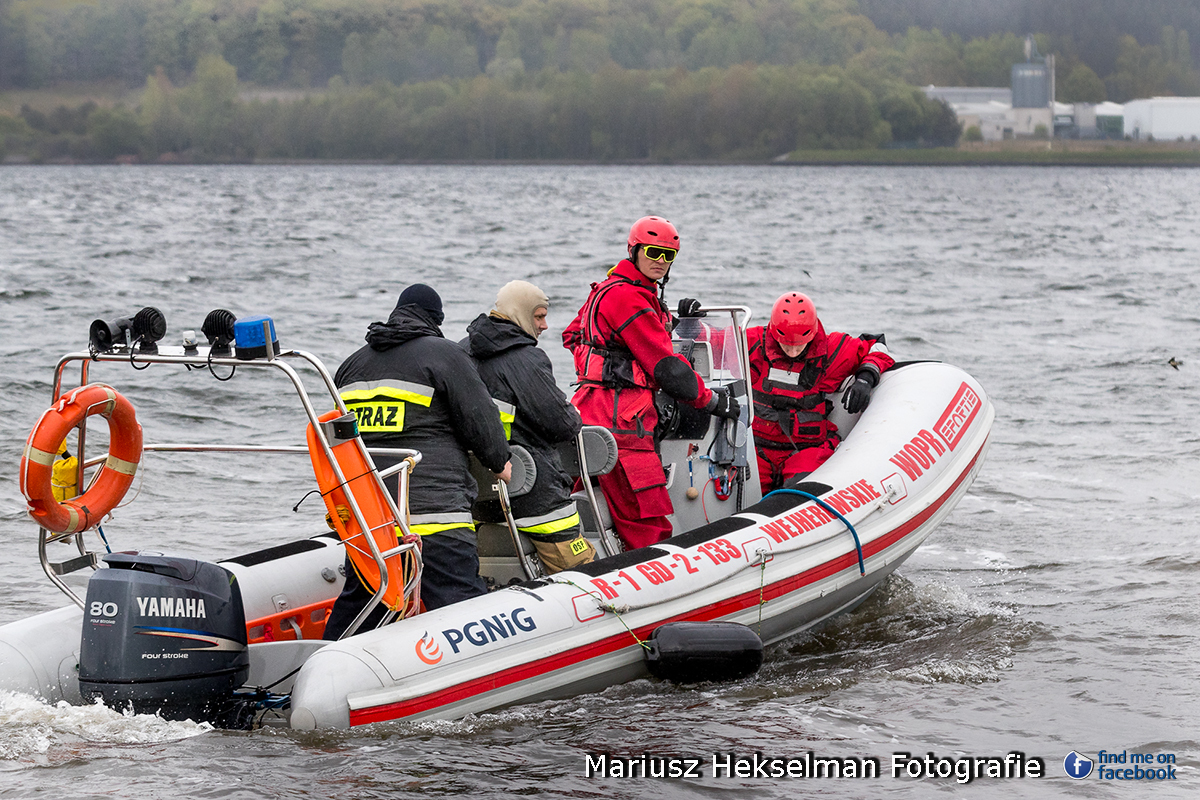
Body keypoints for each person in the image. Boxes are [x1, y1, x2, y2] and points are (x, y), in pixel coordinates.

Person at [323, 284, 512, 639]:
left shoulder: (350, 365)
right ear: (436, 319)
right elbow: (480, 418)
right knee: (461, 607)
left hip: (372, 520)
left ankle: (324, 666)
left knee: (365, 603)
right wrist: (499, 462)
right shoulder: (444, 355)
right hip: (436, 517)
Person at [563, 216, 740, 550]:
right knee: (649, 523)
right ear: (635, 251)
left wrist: (670, 323)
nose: (660, 261)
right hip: (624, 423)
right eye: (654, 252)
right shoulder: (630, 298)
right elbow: (669, 371)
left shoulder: (609, 290)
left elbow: (574, 335)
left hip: (588, 411)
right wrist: (714, 402)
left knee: (593, 502)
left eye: (668, 255)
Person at [463, 280, 596, 574]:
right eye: (539, 316)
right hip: (536, 499)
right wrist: (574, 415)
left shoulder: (461, 354)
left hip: (477, 499)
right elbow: (560, 424)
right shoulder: (526, 359)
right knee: (580, 573)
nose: (545, 325)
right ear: (520, 314)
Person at [748, 291, 894, 495]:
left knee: (797, 495)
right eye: (786, 345)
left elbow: (876, 346)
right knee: (739, 492)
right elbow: (714, 340)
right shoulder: (752, 342)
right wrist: (690, 318)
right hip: (757, 448)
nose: (792, 352)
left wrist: (866, 378)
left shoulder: (833, 349)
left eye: (798, 345)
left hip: (805, 449)